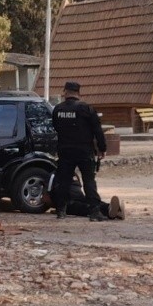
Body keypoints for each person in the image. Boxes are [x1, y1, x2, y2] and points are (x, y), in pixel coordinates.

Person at [51, 81, 124, 221]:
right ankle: (94, 212)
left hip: (65, 150)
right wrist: (102, 148)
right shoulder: (86, 109)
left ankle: (61, 211)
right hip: (84, 150)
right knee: (89, 181)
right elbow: (98, 130)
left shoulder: (58, 110)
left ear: (65, 92)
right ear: (79, 93)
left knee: (64, 181)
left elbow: (56, 127)